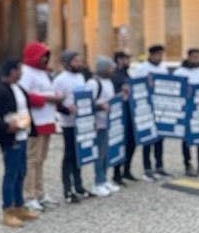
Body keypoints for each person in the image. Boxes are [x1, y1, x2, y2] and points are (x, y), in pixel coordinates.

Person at [0, 59, 37, 228]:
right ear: (12, 71)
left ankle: (19, 206)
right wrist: (6, 126)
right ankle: (8, 211)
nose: (21, 73)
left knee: (21, 172)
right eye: (19, 69)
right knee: (11, 173)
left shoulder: (18, 88)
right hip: (10, 137)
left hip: (22, 135)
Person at [18, 42, 62, 211]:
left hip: (47, 120)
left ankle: (40, 192)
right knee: (32, 160)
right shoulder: (26, 72)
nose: (45, 58)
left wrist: (55, 97)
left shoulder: (43, 73)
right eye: (43, 55)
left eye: (46, 55)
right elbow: (23, 95)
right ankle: (29, 195)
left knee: (41, 160)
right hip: (35, 121)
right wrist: (47, 99)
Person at [52, 50, 91, 202]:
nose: (79, 64)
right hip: (68, 123)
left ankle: (79, 185)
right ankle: (68, 190)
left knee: (78, 154)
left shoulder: (81, 77)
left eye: (79, 61)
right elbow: (56, 103)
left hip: (81, 122)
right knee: (68, 156)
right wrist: (67, 110)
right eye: (75, 61)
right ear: (67, 63)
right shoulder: (60, 80)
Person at [130, 44, 170, 178]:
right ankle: (147, 167)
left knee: (160, 139)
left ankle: (159, 165)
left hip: (161, 108)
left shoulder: (163, 68)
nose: (160, 57)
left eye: (161, 54)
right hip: (147, 108)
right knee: (148, 139)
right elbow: (135, 85)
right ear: (151, 55)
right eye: (158, 54)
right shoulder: (142, 68)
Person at [173, 48, 199, 177]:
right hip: (185, 109)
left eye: (198, 57)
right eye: (194, 57)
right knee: (187, 139)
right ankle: (188, 164)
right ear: (188, 57)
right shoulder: (180, 72)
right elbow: (175, 89)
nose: (196, 59)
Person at [87, 56, 119, 196]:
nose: (113, 70)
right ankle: (98, 182)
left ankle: (105, 179)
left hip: (108, 122)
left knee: (106, 154)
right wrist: (100, 106)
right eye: (110, 67)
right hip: (98, 124)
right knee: (99, 155)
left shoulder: (109, 82)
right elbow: (86, 103)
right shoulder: (93, 83)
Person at [110, 51, 136, 185]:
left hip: (130, 113)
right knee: (121, 143)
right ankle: (116, 173)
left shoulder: (127, 74)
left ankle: (127, 169)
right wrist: (122, 93)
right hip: (120, 115)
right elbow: (112, 96)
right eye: (126, 59)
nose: (129, 61)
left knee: (132, 143)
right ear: (119, 60)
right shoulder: (114, 76)